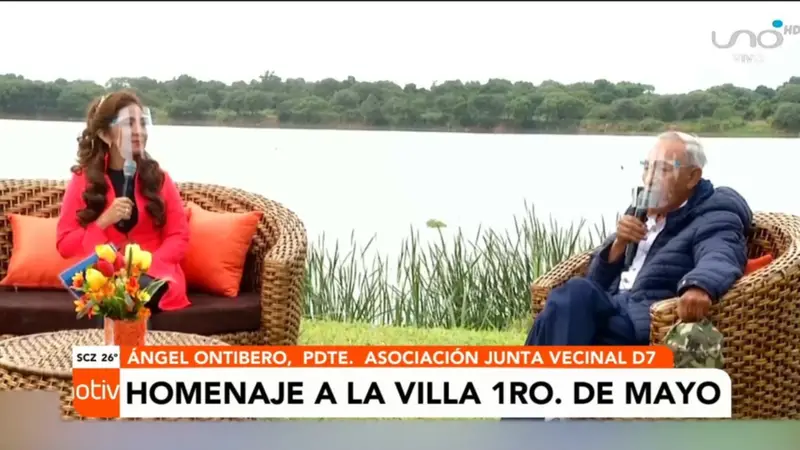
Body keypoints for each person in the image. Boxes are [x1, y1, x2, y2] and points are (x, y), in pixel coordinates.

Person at [525, 131, 752, 347]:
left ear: (692, 177)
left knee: (572, 297)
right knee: (560, 309)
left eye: (663, 169)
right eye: (647, 167)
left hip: (643, 319)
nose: (650, 179)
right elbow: (595, 279)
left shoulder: (713, 213)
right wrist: (618, 245)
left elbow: (720, 253)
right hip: (609, 307)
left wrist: (700, 285)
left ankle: (534, 372)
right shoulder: (640, 209)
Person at [56, 90, 191, 313]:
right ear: (105, 135)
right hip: (105, 276)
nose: (139, 131)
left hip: (154, 276)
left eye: (142, 123)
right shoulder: (83, 180)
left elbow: (178, 236)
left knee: (132, 293)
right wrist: (103, 221)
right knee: (110, 295)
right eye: (129, 123)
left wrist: (146, 264)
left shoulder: (160, 179)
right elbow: (65, 245)